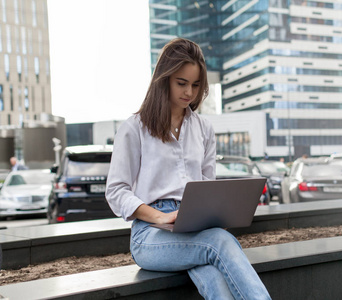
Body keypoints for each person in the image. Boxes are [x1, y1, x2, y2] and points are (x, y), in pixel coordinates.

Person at [106, 38, 271, 300]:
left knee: (214, 274)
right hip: (149, 234)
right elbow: (116, 191)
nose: (189, 93)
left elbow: (209, 187)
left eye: (196, 85)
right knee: (219, 243)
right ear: (164, 79)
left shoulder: (204, 129)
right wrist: (159, 217)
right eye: (181, 83)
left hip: (196, 227)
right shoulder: (134, 128)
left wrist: (216, 214)